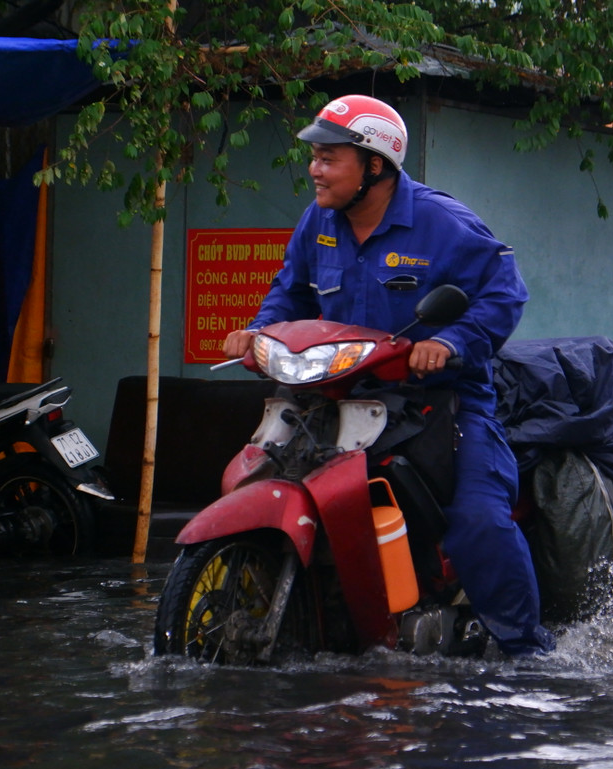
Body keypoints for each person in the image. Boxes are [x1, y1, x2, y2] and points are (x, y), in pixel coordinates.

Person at [222, 94, 555, 657]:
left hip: (440, 401)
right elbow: (291, 290)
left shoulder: (440, 223)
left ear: (374, 165)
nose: (314, 170)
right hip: (337, 398)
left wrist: (449, 342)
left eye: (329, 158)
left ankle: (528, 652)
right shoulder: (318, 222)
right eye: (315, 157)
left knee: (476, 519)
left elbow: (504, 292)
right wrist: (258, 332)